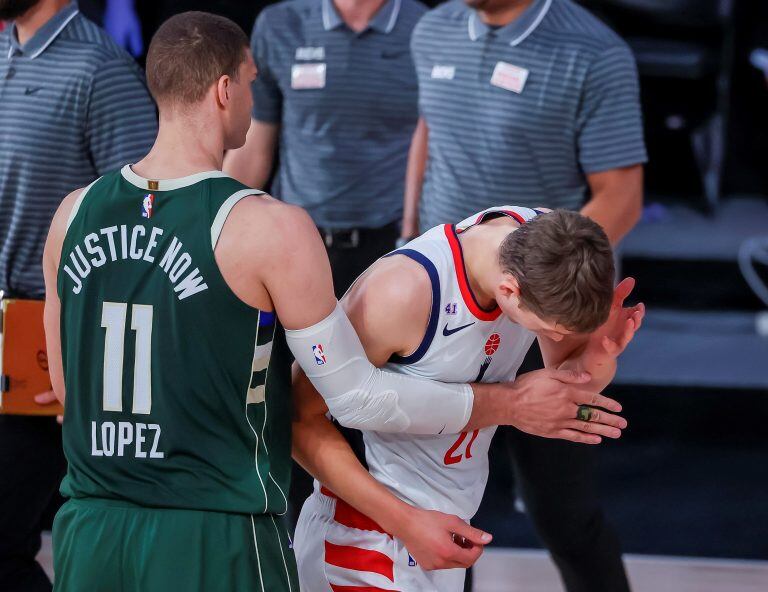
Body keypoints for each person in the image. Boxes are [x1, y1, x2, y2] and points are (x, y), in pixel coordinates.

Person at [42, 11, 626, 590]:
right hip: (213, 525)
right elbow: (353, 398)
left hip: (93, 523)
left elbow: (70, 393)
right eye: (250, 82)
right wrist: (512, 405)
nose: (255, 96)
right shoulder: (271, 228)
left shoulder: (72, 214)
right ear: (225, 91)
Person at [403, 1, 648, 590]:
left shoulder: (595, 52)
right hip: (446, 309)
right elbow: (429, 129)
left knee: (561, 511)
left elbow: (622, 195)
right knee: (435, 506)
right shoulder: (432, 29)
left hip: (544, 312)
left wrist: (548, 297)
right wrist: (407, 236)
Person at [291, 206, 644, 591]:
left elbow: (565, 388)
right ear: (509, 291)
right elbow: (296, 420)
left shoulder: (553, 246)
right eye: (550, 332)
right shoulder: (402, 291)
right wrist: (404, 522)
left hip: (439, 527)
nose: (556, 340)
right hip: (366, 535)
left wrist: (598, 356)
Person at [0, 0, 157, 589]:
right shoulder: (4, 50)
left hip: (47, 348)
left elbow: (144, 224)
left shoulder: (101, 69)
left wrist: (89, 362)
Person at [224, 0, 427, 296]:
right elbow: (253, 147)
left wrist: (414, 236)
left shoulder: (425, 28)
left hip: (394, 246)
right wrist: (209, 223)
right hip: (294, 242)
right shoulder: (280, 24)